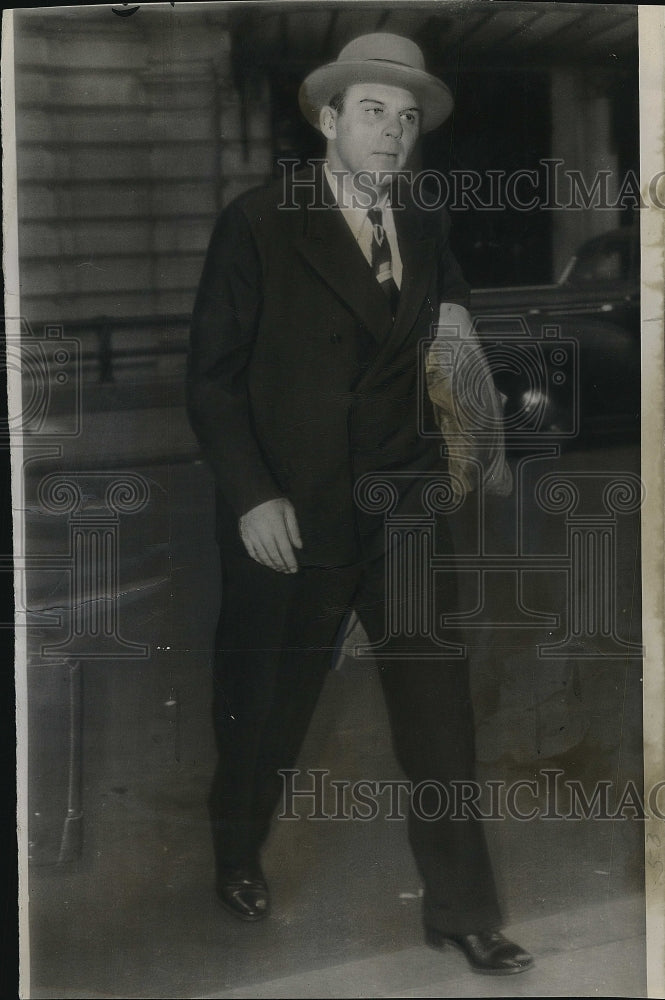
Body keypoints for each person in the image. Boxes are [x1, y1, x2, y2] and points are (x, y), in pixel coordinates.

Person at [187, 32, 533, 976]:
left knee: (438, 713)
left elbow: (447, 334)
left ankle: (461, 911)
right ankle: (235, 848)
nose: (392, 132)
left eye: (407, 118)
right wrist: (253, 496)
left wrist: (469, 402)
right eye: (372, 112)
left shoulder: (422, 223)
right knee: (266, 706)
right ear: (329, 121)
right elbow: (211, 383)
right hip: (291, 515)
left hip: (405, 506)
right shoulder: (258, 220)